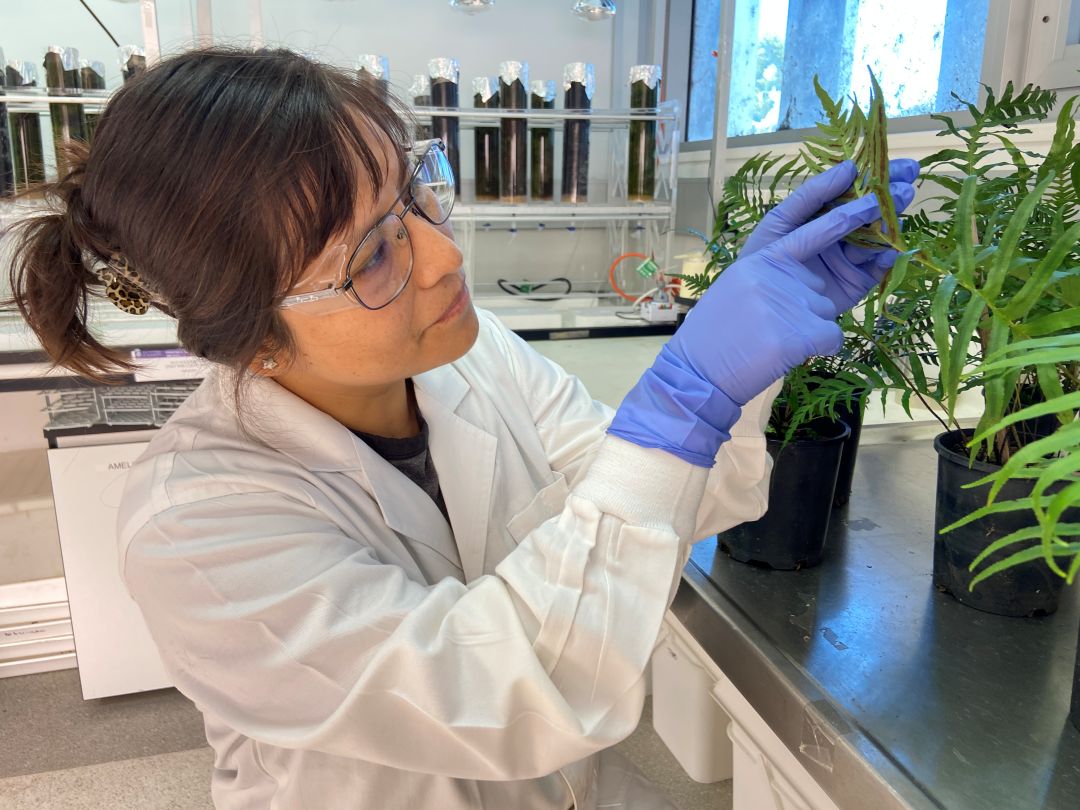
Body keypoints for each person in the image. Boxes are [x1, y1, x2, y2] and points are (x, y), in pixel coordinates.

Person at [4, 48, 917, 810]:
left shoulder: (472, 359)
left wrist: (732, 380)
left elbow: (665, 501)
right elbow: (513, 693)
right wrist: (681, 398)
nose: (445, 256)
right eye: (372, 255)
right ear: (246, 328)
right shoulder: (194, 529)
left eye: (414, 195)